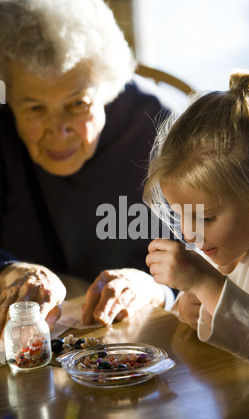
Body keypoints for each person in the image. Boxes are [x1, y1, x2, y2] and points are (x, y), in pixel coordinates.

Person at [0, 0, 176, 336]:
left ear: (107, 90)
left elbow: (215, 256)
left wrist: (153, 288)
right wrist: (8, 270)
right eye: (35, 108)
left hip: (146, 338)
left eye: (77, 104)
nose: (59, 132)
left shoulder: (161, 130)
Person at [144, 69, 249, 375]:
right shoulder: (231, 239)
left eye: (205, 217)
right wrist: (191, 307)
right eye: (179, 214)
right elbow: (228, 311)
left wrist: (205, 283)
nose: (190, 233)